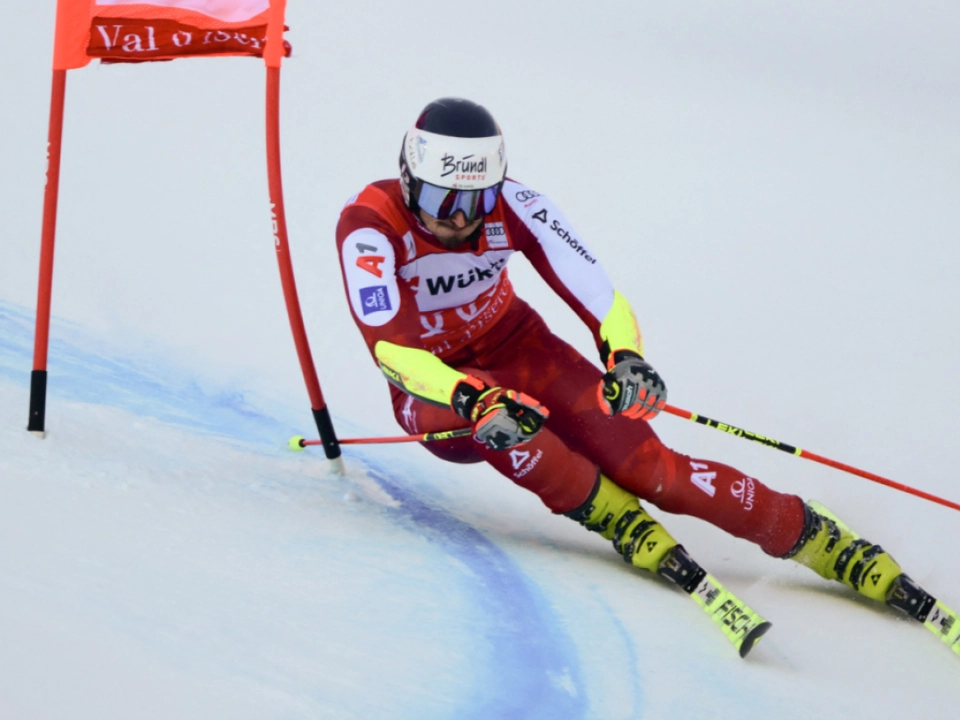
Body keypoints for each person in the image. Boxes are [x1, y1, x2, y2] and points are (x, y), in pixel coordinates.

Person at [335, 97, 930, 619]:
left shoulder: (518, 206)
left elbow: (599, 293)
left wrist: (626, 357)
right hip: (433, 392)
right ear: (409, 178)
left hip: (520, 347)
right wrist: (469, 394)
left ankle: (816, 535)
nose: (460, 219)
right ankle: (608, 513)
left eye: (477, 199)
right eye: (442, 198)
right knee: (503, 420)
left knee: (655, 472)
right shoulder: (369, 227)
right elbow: (391, 349)